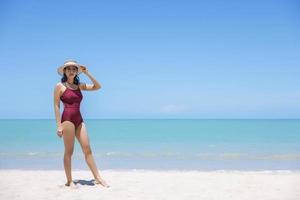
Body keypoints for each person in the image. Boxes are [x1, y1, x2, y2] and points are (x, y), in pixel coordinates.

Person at [53, 59, 109, 188]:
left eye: (74, 69)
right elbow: (56, 106)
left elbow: (97, 87)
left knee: (87, 149)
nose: (71, 71)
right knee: (69, 151)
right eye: (68, 69)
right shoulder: (59, 86)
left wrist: (87, 73)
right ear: (64, 71)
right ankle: (69, 180)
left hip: (79, 119)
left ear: (76, 72)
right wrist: (59, 125)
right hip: (67, 119)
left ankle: (98, 178)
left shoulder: (80, 86)